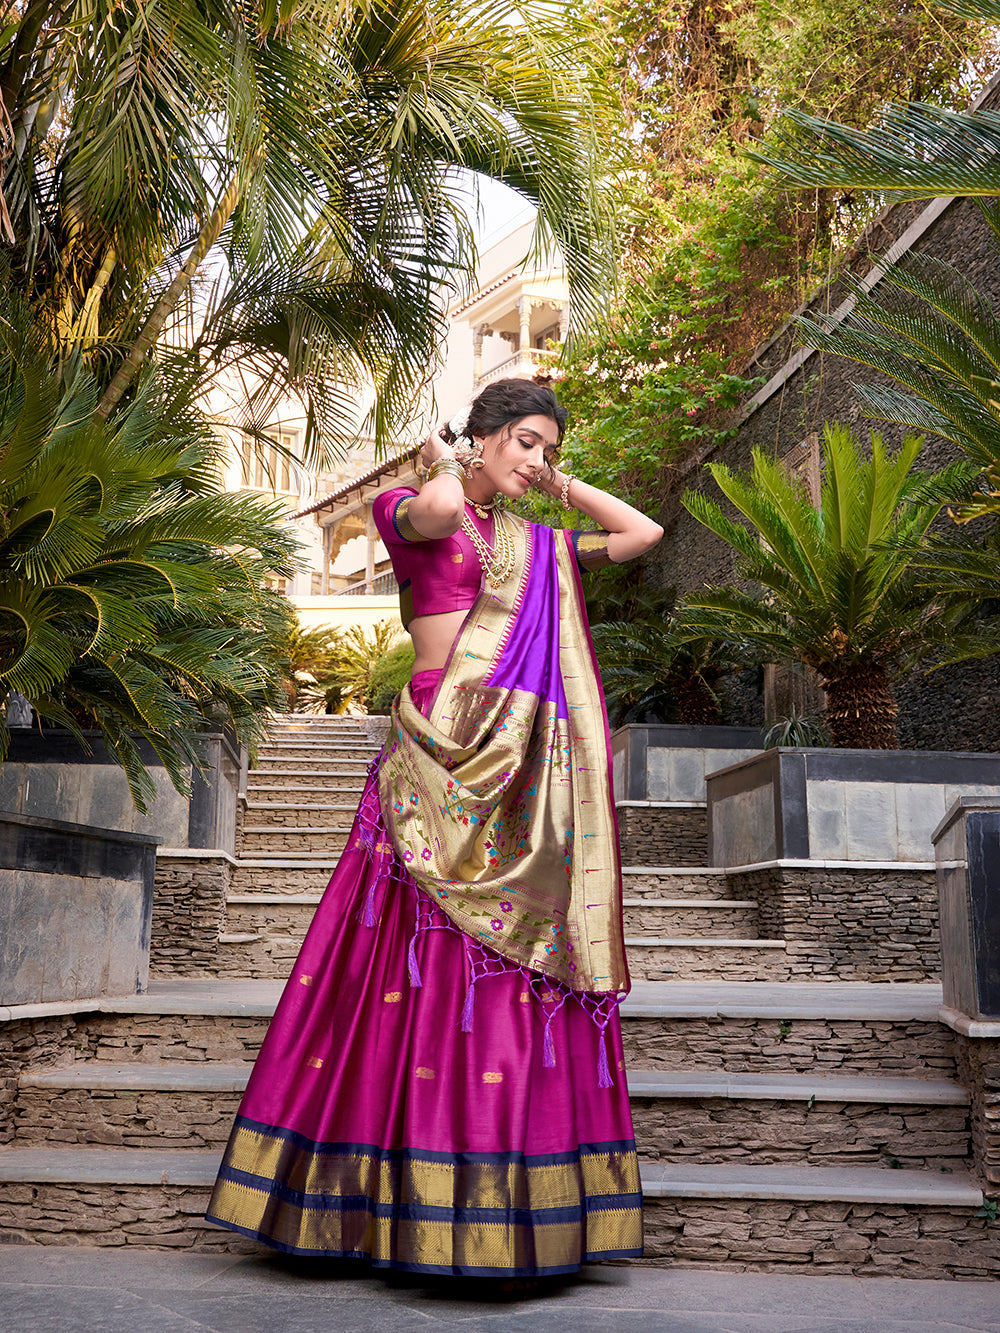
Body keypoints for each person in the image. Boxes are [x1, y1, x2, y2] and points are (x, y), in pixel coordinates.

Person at [206, 377, 663, 1279]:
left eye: (548, 447)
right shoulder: (408, 505)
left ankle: (494, 1181)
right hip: (436, 743)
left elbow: (640, 533)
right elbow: (443, 506)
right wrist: (448, 458)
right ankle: (370, 1194)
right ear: (481, 436)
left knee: (504, 962)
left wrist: (555, 483)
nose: (537, 460)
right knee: (400, 954)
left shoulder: (535, 543)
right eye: (525, 441)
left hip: (520, 761)